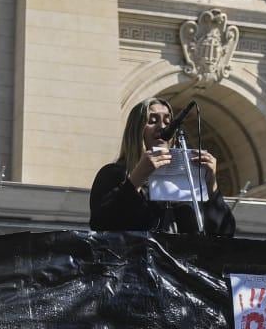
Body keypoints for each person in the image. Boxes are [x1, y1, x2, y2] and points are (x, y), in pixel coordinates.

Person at [89, 97, 236, 237]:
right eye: (153, 121)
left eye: (168, 121)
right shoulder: (114, 174)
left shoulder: (188, 180)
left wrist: (212, 184)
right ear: (136, 130)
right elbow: (101, 224)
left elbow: (224, 233)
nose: (162, 127)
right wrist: (136, 179)